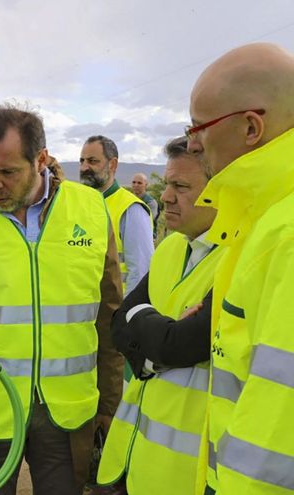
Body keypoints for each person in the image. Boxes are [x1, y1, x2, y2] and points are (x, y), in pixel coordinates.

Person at [0, 104, 124, 495]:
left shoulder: (92, 210)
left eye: (8, 171)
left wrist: (110, 402)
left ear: (41, 160)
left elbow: (109, 314)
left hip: (66, 412)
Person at [185, 42, 294, 495]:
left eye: (199, 127)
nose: (192, 143)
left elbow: (276, 422)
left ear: (251, 127)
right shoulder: (262, 218)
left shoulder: (285, 234)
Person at [96, 136, 221, 495]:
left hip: (184, 475)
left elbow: (182, 343)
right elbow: (120, 325)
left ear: (222, 190)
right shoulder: (170, 248)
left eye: (181, 186)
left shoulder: (238, 259)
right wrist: (162, 339)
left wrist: (148, 325)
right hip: (132, 458)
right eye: (167, 184)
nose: (166, 196)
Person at [80, 136, 154, 295]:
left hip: (118, 311)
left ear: (112, 164)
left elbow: (141, 272)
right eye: (82, 161)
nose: (84, 167)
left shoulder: (131, 209)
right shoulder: (79, 204)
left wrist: (125, 315)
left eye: (92, 161)